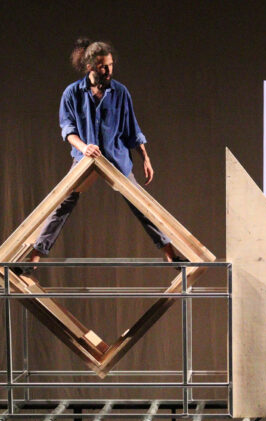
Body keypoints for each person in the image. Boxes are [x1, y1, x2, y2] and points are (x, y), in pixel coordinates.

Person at [16, 38, 185, 275]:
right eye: (103, 66)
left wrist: (145, 158)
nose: (108, 70)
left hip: (116, 158)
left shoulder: (120, 92)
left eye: (110, 65)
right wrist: (84, 147)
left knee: (140, 206)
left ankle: (170, 254)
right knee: (62, 205)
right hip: (85, 159)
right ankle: (34, 259)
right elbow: (67, 129)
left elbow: (132, 129)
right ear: (90, 67)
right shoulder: (72, 93)